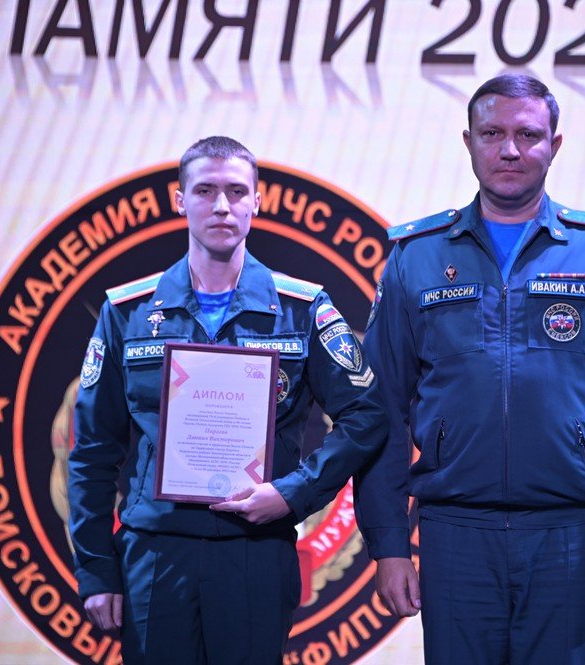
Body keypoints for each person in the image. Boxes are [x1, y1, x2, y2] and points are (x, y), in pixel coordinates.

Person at [354, 74, 585, 664]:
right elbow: (381, 410)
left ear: (554, 144)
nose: (509, 149)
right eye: (492, 134)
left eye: (528, 135)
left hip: (570, 537)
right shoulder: (416, 257)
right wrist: (388, 543)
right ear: (468, 142)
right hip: (455, 536)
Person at [68, 136, 387, 664]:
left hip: (255, 548)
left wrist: (292, 493)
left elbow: (366, 415)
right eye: (205, 190)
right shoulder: (127, 312)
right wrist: (97, 569)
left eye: (237, 191)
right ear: (180, 200)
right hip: (155, 551)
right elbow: (92, 450)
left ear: (257, 201)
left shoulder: (302, 308)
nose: (222, 205)